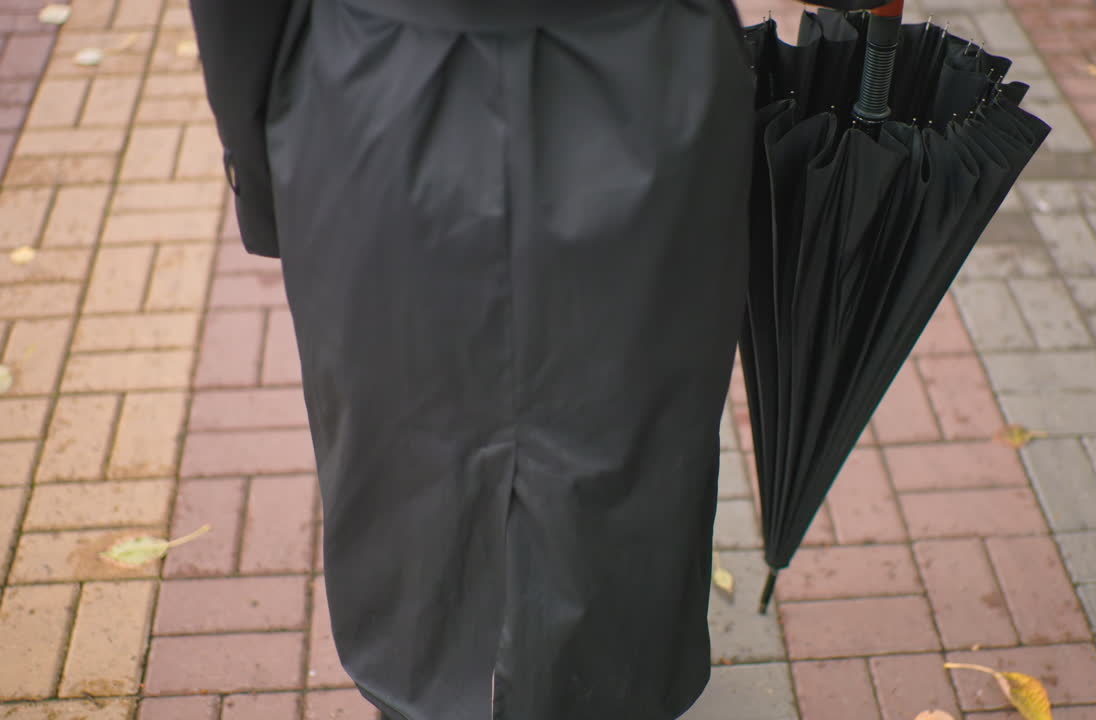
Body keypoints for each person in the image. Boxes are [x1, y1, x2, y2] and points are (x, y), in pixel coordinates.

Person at [190, 0, 755, 717]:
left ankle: (423, 689)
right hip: (650, 80)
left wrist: (257, 154)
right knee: (629, 445)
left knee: (404, 460)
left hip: (373, 92)